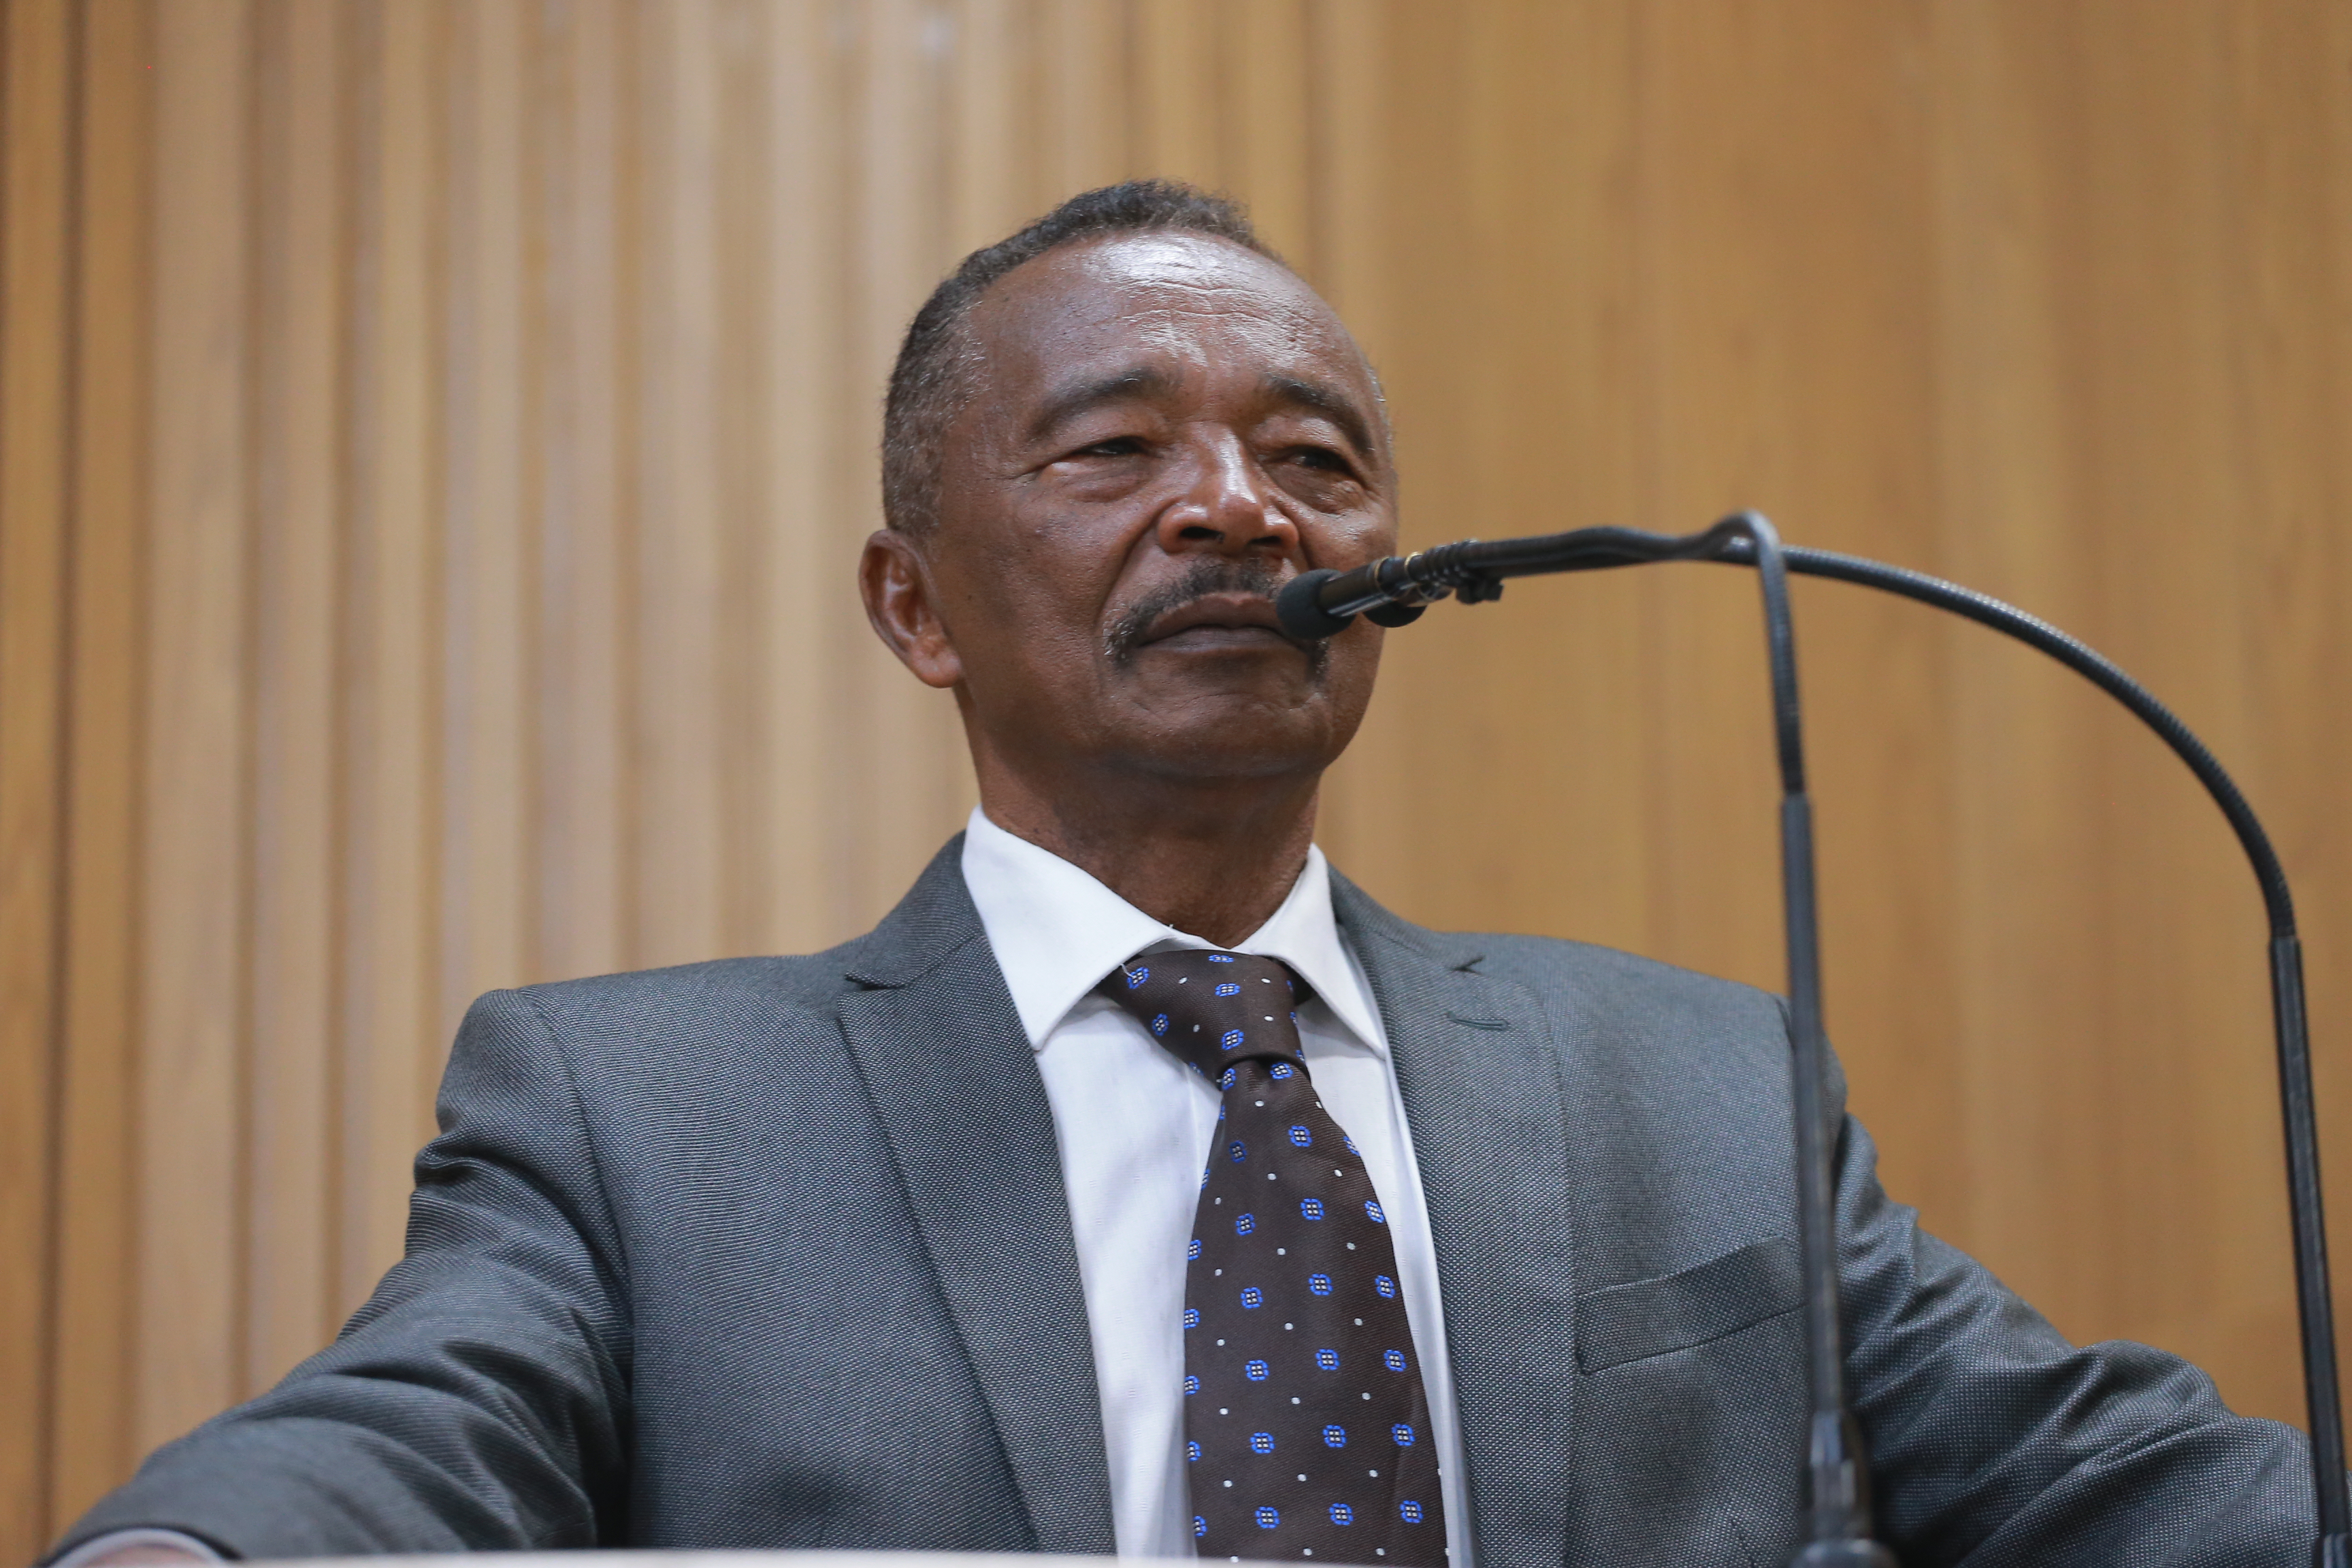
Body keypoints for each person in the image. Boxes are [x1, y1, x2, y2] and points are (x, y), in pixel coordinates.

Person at [49, 181, 2315, 1568]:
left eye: (1314, 457)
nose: (1242, 507)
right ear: (916, 608)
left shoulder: (1697, 1087)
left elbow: (2100, 1484)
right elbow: (412, 1432)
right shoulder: (647, 1120)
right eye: (1119, 448)